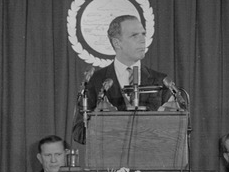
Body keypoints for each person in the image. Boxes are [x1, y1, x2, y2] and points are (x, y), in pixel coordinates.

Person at [72, 15, 173, 143]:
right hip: (110, 160)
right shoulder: (95, 81)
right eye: (134, 35)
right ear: (116, 42)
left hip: (150, 158)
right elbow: (79, 132)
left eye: (143, 34)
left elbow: (175, 129)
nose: (142, 40)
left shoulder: (161, 81)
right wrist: (101, 124)